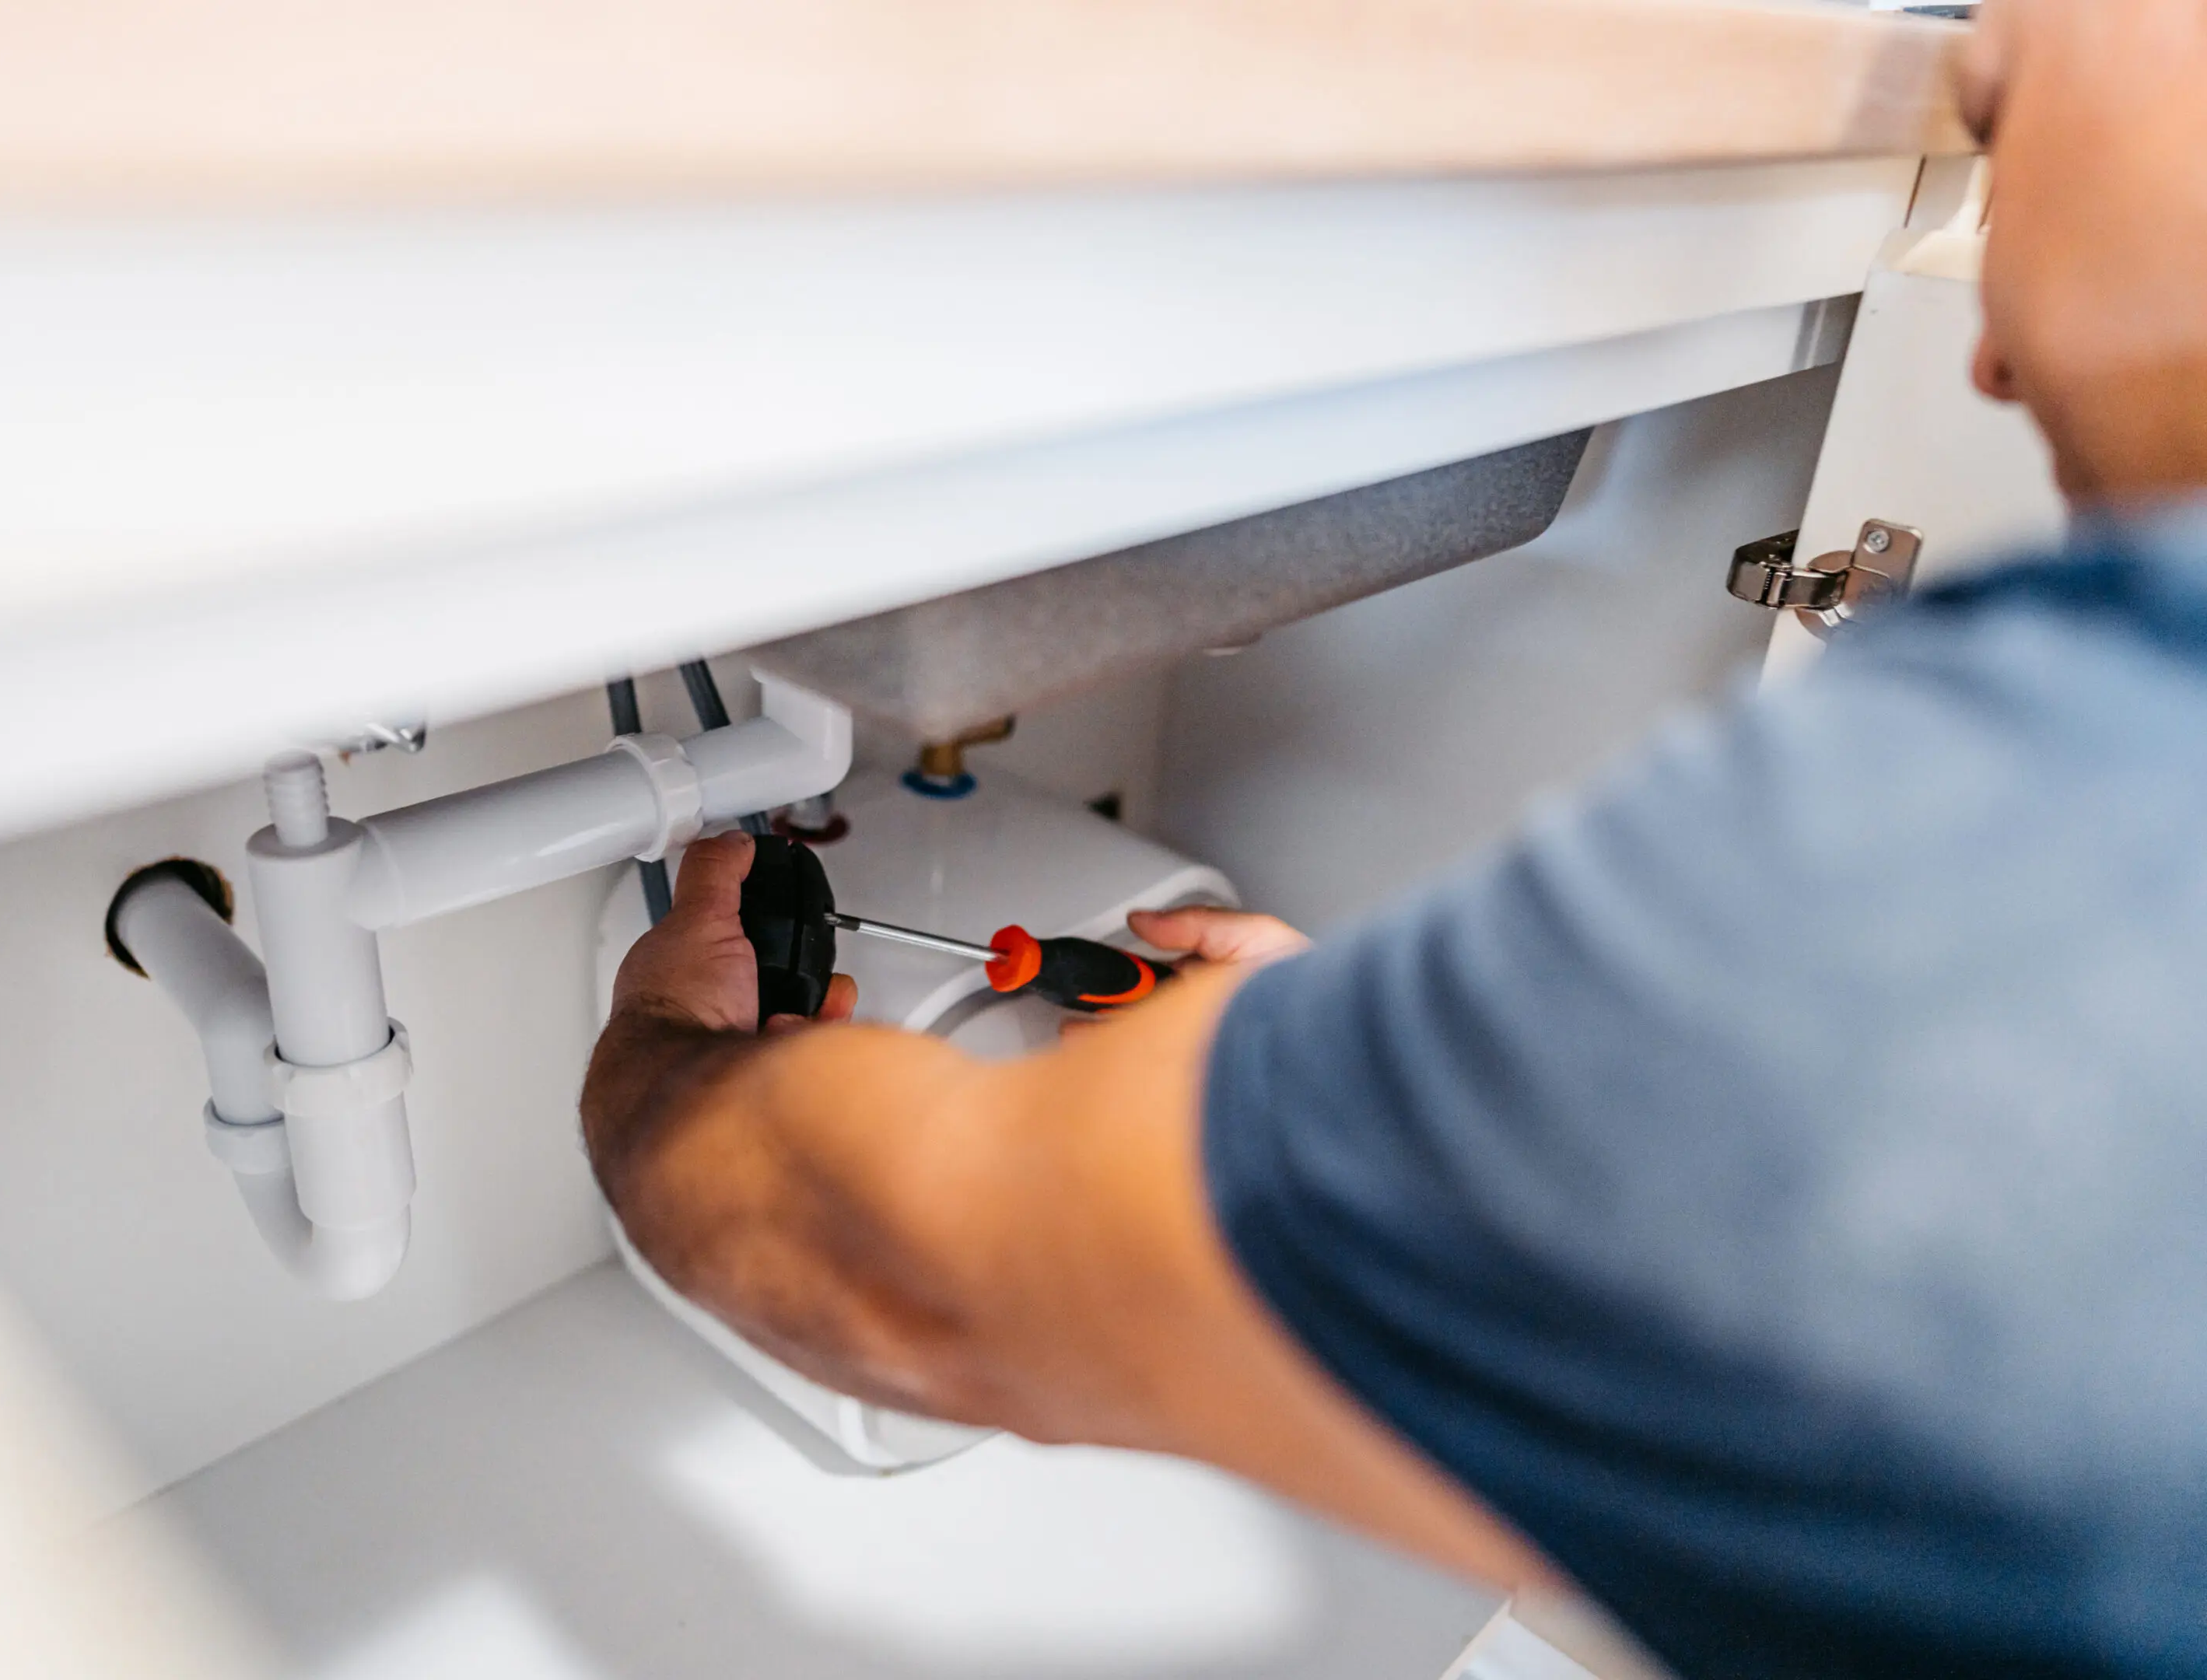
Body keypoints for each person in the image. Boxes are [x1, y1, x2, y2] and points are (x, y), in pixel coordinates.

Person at [580, 2, 2207, 1672]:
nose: (1990, 355)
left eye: (1999, 117)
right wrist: (1385, 1098)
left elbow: (912, 1275)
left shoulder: (1952, 865)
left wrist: (649, 1063)